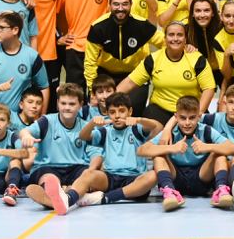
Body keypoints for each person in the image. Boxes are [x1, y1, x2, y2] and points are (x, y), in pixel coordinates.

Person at [26, 92, 162, 214]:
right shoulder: (106, 130)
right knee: (88, 174)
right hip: (110, 178)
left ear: (130, 111)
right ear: (107, 114)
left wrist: (139, 120)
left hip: (134, 180)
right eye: (113, 112)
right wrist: (92, 123)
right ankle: (68, 199)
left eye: (122, 111)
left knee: (153, 175)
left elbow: (153, 126)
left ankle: (106, 198)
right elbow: (83, 136)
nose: (117, 115)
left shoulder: (136, 129)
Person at [139, 96, 234, 211]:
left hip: (201, 178)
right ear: (176, 117)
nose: (187, 123)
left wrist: (207, 147)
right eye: (183, 118)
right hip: (175, 178)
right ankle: (169, 192)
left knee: (219, 153)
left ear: (199, 117)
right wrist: (171, 148)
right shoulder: (170, 133)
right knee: (159, 155)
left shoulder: (206, 130)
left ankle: (221, 190)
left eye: (192, 118)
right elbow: (142, 150)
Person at [117, 21, 215, 123]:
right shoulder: (153, 59)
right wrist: (109, 100)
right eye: (171, 35)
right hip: (160, 110)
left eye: (180, 35)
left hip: (190, 110)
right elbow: (130, 83)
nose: (175, 39)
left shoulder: (197, 59)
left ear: (185, 39)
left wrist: (198, 113)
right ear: (165, 39)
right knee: (153, 131)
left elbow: (209, 88)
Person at [84, 0, 164, 109]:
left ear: (131, 4)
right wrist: (92, 91)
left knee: (132, 111)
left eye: (125, 4)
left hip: (135, 75)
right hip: (106, 75)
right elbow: (90, 62)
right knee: (106, 112)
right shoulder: (98, 27)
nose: (120, 8)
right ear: (109, 4)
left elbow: (165, 43)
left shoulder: (142, 25)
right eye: (116, 4)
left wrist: (155, 64)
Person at [17, 83, 95, 196]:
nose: (67, 107)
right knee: (48, 179)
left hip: (76, 167)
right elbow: (24, 131)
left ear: (80, 105)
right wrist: (26, 136)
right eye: (63, 103)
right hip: (48, 167)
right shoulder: (46, 121)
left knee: (87, 176)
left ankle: (69, 193)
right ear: (58, 103)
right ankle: (56, 193)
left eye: (72, 104)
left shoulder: (86, 127)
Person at [58, 0, 108, 87]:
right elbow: (55, 15)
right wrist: (59, 37)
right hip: (74, 47)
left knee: (98, 89)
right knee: (75, 90)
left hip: (98, 48)